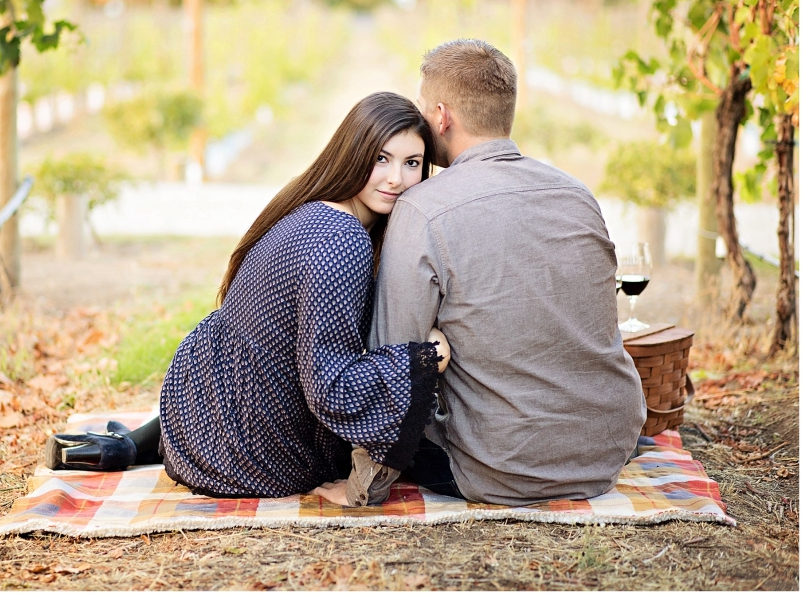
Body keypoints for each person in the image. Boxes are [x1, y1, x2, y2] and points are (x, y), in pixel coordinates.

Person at [44, 92, 450, 507]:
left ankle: (131, 445)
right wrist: (426, 358)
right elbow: (331, 387)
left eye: (411, 163)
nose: (396, 178)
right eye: (381, 159)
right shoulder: (342, 238)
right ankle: (135, 445)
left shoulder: (309, 208)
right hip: (255, 449)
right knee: (433, 459)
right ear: (353, 151)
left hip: (200, 399)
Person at [370, 39, 645, 505]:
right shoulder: (577, 194)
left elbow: (391, 358)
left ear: (441, 116)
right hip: (604, 452)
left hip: (498, 466)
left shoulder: (422, 208)